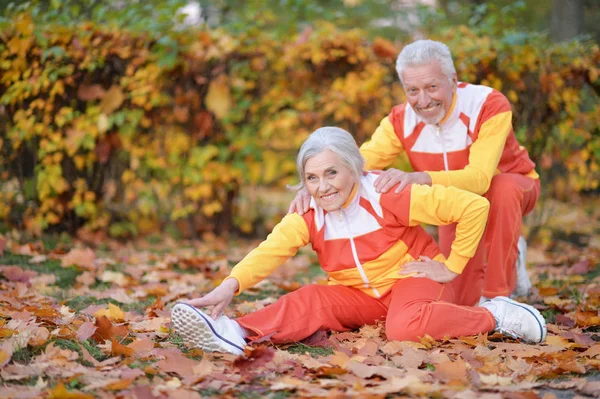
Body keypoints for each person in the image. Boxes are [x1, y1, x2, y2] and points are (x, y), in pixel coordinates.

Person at [171, 127, 546, 355]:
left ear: (353, 167)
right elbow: (270, 250)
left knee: (403, 329)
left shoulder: (385, 192)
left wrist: (451, 266)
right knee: (311, 297)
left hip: (411, 278)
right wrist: (229, 286)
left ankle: (495, 316)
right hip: (360, 295)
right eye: (312, 177)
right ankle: (234, 331)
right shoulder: (309, 210)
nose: (323, 187)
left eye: (331, 173)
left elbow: (473, 206)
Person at [289, 40, 540, 306]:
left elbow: (479, 179)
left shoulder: (488, 104)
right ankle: (510, 259)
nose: (423, 101)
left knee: (503, 190)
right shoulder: (400, 120)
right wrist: (314, 184)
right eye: (413, 90)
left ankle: (501, 297)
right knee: (461, 298)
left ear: (453, 80)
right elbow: (355, 163)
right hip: (455, 198)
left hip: (514, 187)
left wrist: (422, 178)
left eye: (432, 87)